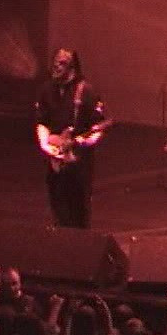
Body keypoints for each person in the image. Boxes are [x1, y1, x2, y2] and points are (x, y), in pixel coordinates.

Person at [35, 48, 108, 228]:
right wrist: (46, 144)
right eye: (55, 62)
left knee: (79, 211)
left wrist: (84, 141)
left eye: (62, 63)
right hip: (55, 160)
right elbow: (42, 121)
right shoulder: (47, 89)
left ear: (72, 68)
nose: (56, 66)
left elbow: (99, 126)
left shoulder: (86, 91)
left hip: (79, 162)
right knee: (58, 207)